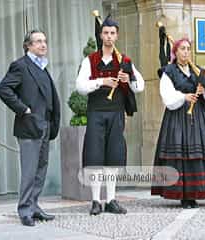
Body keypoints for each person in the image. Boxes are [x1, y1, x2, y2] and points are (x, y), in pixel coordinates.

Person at [76, 15, 144, 215]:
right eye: (105, 33)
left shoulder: (124, 60)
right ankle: (96, 201)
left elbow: (139, 86)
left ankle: (111, 200)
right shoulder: (90, 60)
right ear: (101, 35)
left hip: (116, 113)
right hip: (96, 113)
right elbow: (80, 86)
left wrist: (128, 77)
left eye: (112, 33)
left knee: (113, 157)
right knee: (95, 156)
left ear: (117, 36)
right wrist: (101, 82)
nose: (109, 37)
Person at [0, 30, 61, 226]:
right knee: (29, 170)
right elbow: (3, 89)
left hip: (45, 125)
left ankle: (34, 206)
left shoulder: (42, 66)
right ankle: (24, 210)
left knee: (40, 169)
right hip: (30, 126)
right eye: (38, 41)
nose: (43, 44)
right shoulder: (21, 65)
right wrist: (23, 109)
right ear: (28, 46)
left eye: (44, 41)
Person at [151, 38, 205, 209]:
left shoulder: (199, 72)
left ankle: (195, 193)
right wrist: (184, 97)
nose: (186, 52)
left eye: (188, 49)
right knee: (180, 154)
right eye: (182, 49)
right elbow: (167, 96)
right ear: (175, 52)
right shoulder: (169, 71)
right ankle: (183, 195)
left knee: (196, 154)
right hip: (177, 117)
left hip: (197, 117)